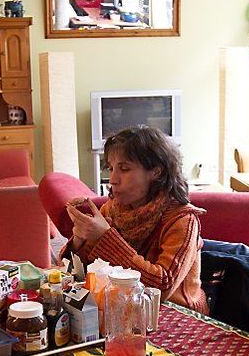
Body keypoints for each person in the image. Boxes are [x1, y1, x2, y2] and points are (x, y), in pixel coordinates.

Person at [66, 125, 208, 314]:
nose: (113, 179)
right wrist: (79, 240)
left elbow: (161, 288)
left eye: (124, 169)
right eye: (111, 168)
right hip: (126, 310)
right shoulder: (111, 209)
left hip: (179, 316)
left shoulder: (183, 220)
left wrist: (105, 238)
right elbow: (78, 274)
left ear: (156, 172)